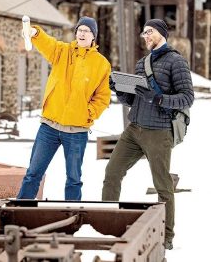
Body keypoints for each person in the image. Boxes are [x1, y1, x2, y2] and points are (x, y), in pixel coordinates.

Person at [102, 19, 194, 250]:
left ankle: (167, 236)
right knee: (112, 173)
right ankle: (105, 224)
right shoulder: (142, 63)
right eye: (143, 32)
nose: (145, 36)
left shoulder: (176, 61)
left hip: (159, 131)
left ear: (161, 34)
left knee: (162, 185)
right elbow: (132, 99)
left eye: (149, 32)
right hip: (134, 129)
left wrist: (159, 98)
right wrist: (119, 90)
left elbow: (187, 97)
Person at [17, 16, 111, 200]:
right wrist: (35, 32)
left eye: (87, 31)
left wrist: (87, 114)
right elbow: (48, 44)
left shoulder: (101, 64)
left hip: (76, 131)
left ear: (94, 37)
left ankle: (72, 215)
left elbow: (102, 97)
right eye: (80, 30)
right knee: (33, 174)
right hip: (49, 127)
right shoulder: (63, 51)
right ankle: (20, 209)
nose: (83, 33)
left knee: (73, 179)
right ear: (76, 33)